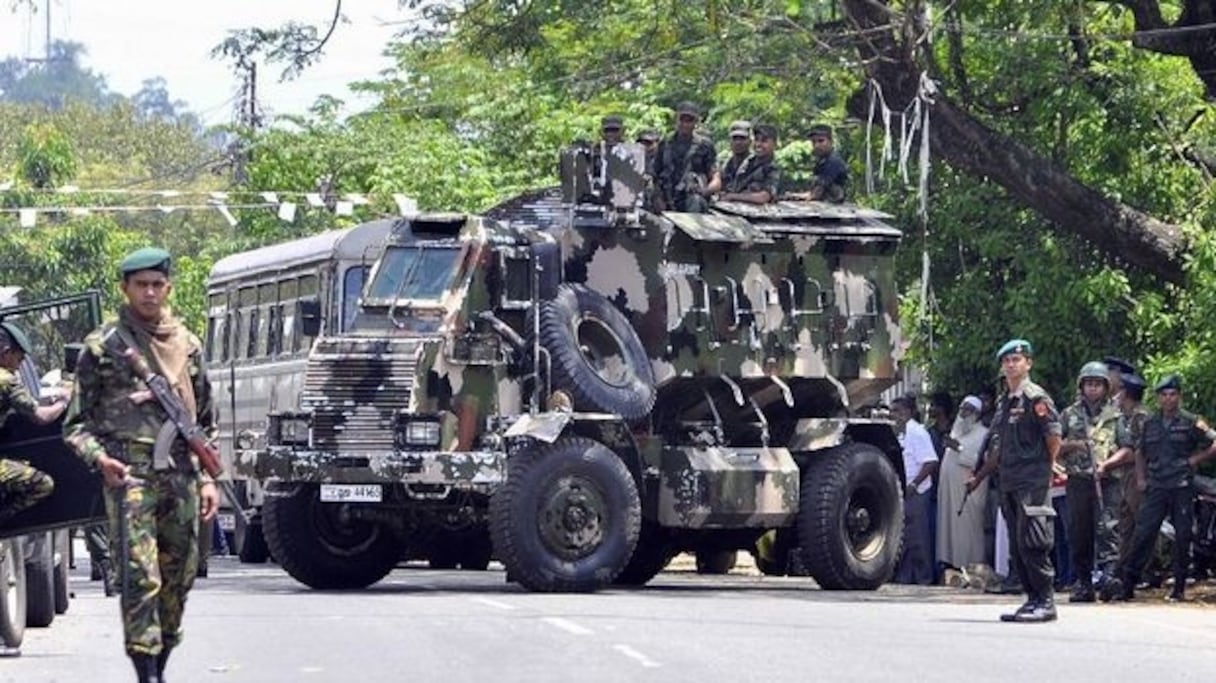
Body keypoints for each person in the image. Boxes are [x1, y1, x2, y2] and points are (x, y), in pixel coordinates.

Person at [63, 247, 220, 683]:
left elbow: (204, 420)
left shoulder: (188, 345)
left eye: (156, 284)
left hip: (183, 476)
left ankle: (161, 662)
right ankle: (146, 674)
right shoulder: (103, 347)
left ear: (168, 288)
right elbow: (75, 425)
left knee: (178, 578)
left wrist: (208, 479)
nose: (149, 293)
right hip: (130, 476)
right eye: (140, 285)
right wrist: (102, 460)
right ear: (126, 289)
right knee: (139, 576)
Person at [967, 339, 1062, 622]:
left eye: (1016, 360)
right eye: (1007, 361)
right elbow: (998, 446)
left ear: (1028, 363)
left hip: (1031, 479)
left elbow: (1053, 436)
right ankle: (1032, 599)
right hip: (1008, 479)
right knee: (1019, 543)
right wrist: (980, 476)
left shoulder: (1036, 398)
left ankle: (1046, 601)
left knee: (1035, 540)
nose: (1011, 365)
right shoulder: (1006, 402)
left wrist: (1047, 465)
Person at [1113, 375, 1216, 602]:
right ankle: (1129, 584)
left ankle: (1179, 587)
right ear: (1158, 398)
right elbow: (1140, 451)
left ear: (1179, 396)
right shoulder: (1150, 422)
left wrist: (1194, 460)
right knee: (1143, 533)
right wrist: (1141, 478)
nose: (1168, 399)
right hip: (1157, 485)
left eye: (1173, 395)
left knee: (1183, 536)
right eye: (1164, 395)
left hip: (1181, 485)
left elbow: (1213, 443)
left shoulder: (1191, 421)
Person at [1056, 361, 1121, 602]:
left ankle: (1109, 579)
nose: (1093, 389)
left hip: (1108, 481)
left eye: (1097, 384)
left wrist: (1108, 465)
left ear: (1105, 387)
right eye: (1089, 384)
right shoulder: (1069, 415)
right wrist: (1074, 445)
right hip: (1078, 481)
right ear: (1081, 386)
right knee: (1079, 532)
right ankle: (1084, 583)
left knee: (1109, 528)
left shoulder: (1116, 415)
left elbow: (1129, 449)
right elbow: (1053, 445)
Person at [0, 321, 69, 525]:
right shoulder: (6, 379)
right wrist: (64, 401)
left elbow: (27, 403)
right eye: (19, 359)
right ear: (5, 353)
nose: (19, 365)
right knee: (43, 484)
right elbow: (40, 417)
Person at [936, 396, 990, 571]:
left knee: (968, 530)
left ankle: (971, 565)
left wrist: (958, 449)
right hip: (949, 492)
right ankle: (951, 565)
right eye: (962, 409)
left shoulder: (983, 434)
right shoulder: (956, 431)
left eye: (968, 410)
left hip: (969, 492)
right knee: (949, 529)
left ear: (977, 414)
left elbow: (983, 462)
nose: (963, 414)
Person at [891, 396, 939, 585]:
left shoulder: (917, 432)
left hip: (916, 491)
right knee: (904, 537)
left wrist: (914, 484)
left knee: (918, 537)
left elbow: (930, 461)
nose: (894, 414)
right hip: (902, 490)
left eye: (898, 410)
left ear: (908, 411)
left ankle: (923, 578)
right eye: (892, 411)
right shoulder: (897, 432)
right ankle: (905, 577)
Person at [653, 101, 719, 213]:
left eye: (690, 120)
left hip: (692, 202)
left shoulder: (704, 145)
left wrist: (704, 191)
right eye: (682, 119)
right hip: (667, 201)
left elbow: (716, 179)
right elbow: (654, 175)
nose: (685, 124)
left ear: (696, 122)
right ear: (676, 119)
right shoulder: (665, 144)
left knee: (696, 201)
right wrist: (657, 198)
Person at [718, 124, 781, 205]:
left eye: (764, 141)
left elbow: (764, 197)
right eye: (757, 140)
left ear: (774, 144)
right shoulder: (747, 162)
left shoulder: (772, 168)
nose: (758, 144)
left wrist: (733, 196)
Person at [789, 123, 848, 203]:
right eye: (813, 142)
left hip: (833, 207)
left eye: (821, 141)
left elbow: (816, 194)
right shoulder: (821, 161)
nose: (817, 145)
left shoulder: (833, 161)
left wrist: (796, 196)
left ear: (831, 141)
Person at [719, 120, 753, 191]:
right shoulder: (723, 166)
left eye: (742, 138)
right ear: (729, 141)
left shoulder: (757, 165)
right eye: (735, 138)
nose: (738, 142)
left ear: (750, 141)